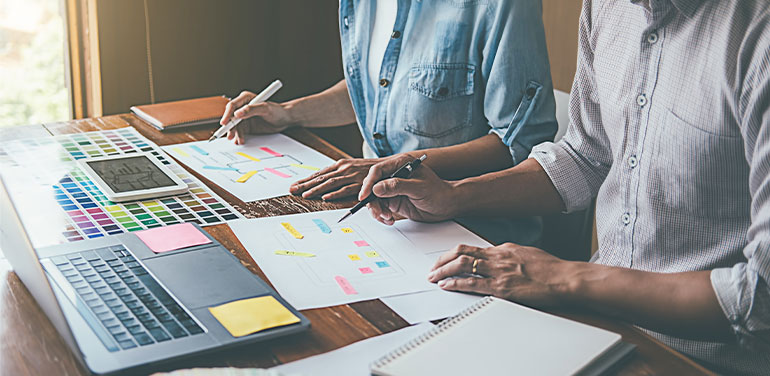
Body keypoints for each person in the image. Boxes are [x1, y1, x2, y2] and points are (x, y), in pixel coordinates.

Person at [356, 0, 770, 374]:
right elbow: (586, 155)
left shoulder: (757, 32)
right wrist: (453, 196)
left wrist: (564, 278)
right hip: (599, 329)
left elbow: (760, 297)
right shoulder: (607, 9)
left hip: (712, 360)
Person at [219, 0, 557, 245]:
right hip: (380, 218)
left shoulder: (502, 5)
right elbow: (377, 93)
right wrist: (289, 113)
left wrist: (391, 168)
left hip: (475, 234)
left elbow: (519, 144)